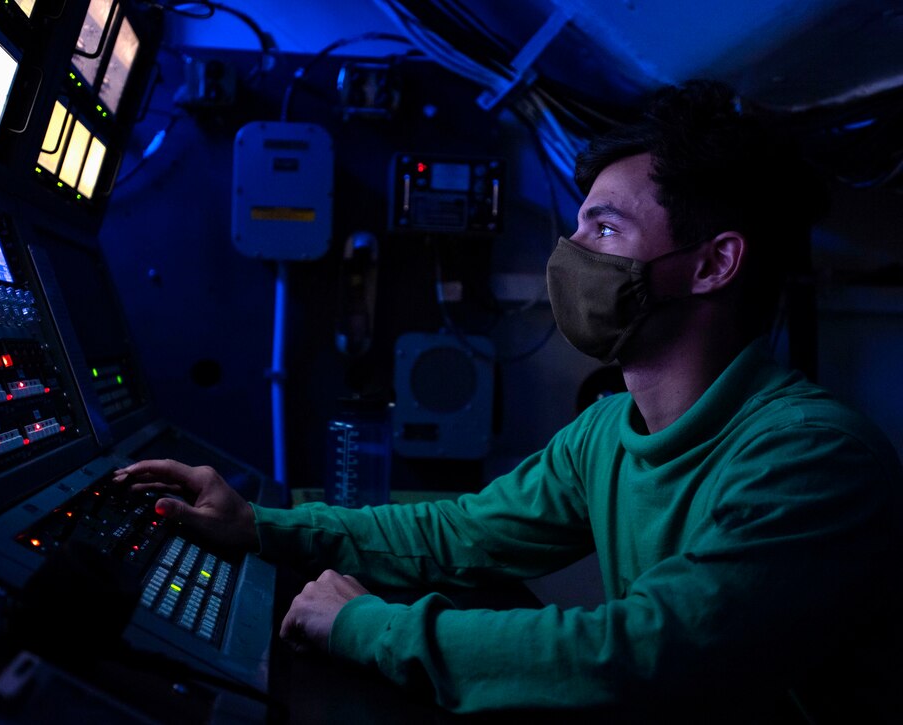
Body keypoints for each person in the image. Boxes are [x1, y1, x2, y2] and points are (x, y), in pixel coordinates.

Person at [113, 81, 903, 721]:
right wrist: (261, 525)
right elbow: (465, 531)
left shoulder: (813, 458)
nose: (571, 254)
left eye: (604, 228)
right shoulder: (606, 431)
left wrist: (367, 626)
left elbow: (642, 659)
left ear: (712, 265)